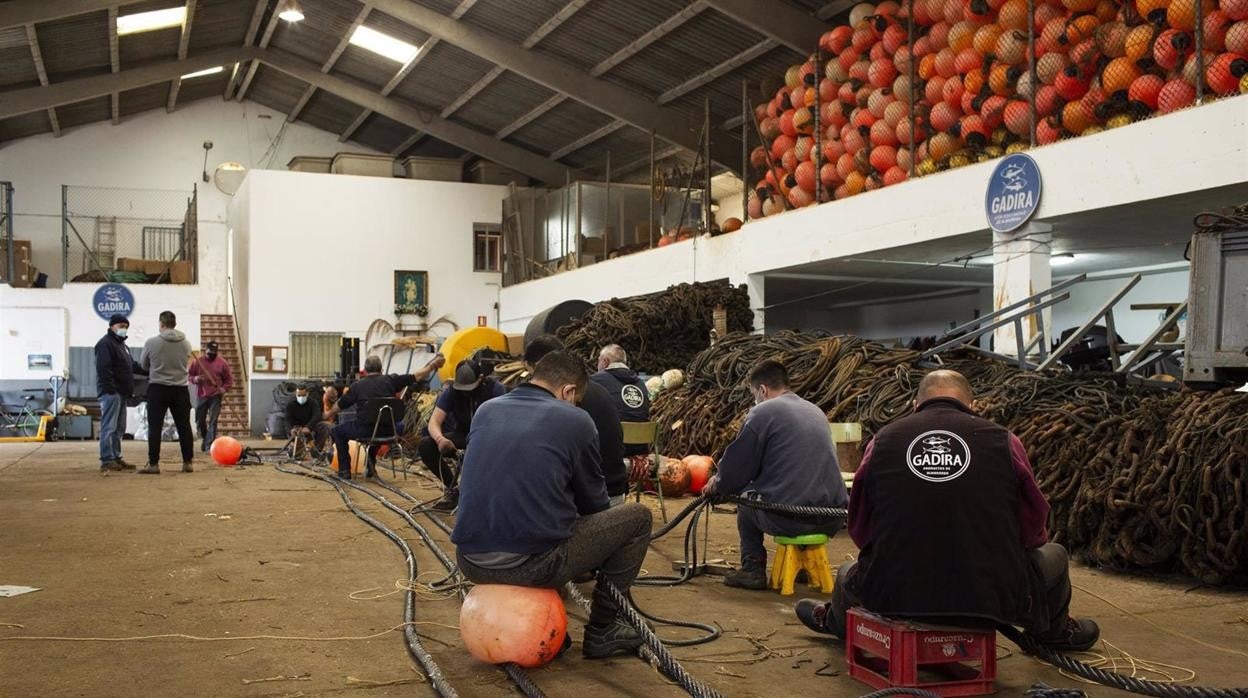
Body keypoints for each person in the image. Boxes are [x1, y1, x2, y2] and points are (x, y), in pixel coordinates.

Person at [792, 370, 1100, 652]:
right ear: (972, 404)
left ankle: (833, 621)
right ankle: (1052, 635)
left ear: (916, 403)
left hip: (895, 596)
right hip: (991, 598)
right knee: (1055, 554)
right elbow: (1033, 526)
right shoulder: (1005, 441)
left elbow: (861, 526)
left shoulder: (882, 441)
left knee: (848, 573)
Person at [452, 350, 653, 659]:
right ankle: (603, 628)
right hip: (531, 566)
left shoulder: (487, 410)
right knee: (637, 517)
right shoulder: (575, 419)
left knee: (545, 517)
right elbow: (595, 506)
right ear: (568, 391)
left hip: (470, 561)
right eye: (576, 399)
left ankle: (548, 633)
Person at [702, 359, 848, 589]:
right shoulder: (815, 410)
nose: (755, 400)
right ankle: (802, 565)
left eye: (754, 394)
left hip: (790, 519)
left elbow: (739, 467)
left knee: (746, 499)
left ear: (762, 390)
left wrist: (718, 484)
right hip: (832, 518)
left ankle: (752, 568)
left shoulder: (763, 411)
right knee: (789, 489)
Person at [525, 335, 628, 506]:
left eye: (532, 376)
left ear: (541, 367)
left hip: (594, 500)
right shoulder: (599, 390)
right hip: (615, 489)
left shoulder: (565, 407)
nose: (534, 384)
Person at [324, 354, 444, 479]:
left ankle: (345, 471)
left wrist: (328, 414)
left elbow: (341, 404)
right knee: (380, 427)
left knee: (337, 432)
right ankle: (370, 467)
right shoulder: (391, 380)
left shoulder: (357, 386)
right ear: (381, 369)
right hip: (390, 430)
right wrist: (432, 365)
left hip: (366, 430)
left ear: (365, 371)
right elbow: (416, 376)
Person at [419, 359, 506, 511]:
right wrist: (440, 440)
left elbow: (504, 422)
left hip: (489, 437)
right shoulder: (452, 391)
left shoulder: (495, 389)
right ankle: (454, 490)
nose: (466, 392)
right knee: (426, 445)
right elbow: (434, 421)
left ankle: (487, 495)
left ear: (480, 378)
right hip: (463, 434)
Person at [138, 310, 195, 474]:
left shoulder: (151, 342)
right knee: (184, 427)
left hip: (158, 388)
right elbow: (187, 365)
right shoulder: (186, 344)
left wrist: (157, 368)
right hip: (180, 389)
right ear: (175, 324)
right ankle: (187, 463)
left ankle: (154, 464)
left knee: (155, 427)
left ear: (161, 324)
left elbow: (144, 365)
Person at [94, 313, 145, 472]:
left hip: (122, 393)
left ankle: (116, 457)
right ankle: (107, 459)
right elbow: (103, 369)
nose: (123, 329)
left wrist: (150, 370)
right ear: (111, 326)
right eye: (120, 326)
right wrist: (111, 390)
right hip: (111, 393)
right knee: (109, 427)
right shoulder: (105, 344)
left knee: (119, 429)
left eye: (126, 326)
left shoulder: (123, 346)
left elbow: (132, 366)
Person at [188, 340, 234, 454]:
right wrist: (195, 379)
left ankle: (210, 446)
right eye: (210, 352)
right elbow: (189, 375)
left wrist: (224, 388)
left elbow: (229, 380)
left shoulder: (222, 363)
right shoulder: (197, 362)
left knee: (213, 421)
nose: (212, 354)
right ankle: (205, 438)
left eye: (214, 352)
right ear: (205, 350)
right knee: (199, 420)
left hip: (216, 396)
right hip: (201, 395)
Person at [285, 385, 331, 456]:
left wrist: (308, 427)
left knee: (324, 426)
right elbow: (287, 419)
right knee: (296, 454)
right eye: (299, 395)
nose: (301, 397)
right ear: (296, 394)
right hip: (297, 428)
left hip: (310, 425)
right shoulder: (290, 404)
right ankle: (296, 450)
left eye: (303, 395)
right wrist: (291, 429)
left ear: (307, 394)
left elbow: (317, 416)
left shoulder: (313, 403)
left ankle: (316, 450)